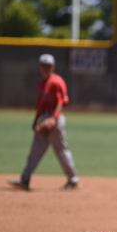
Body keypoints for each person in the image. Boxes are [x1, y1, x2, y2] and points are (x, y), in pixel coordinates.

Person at [8, 53, 79, 191]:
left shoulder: (56, 81)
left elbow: (60, 102)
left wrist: (54, 118)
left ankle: (73, 179)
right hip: (43, 118)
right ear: (40, 66)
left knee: (61, 150)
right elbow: (40, 105)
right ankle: (24, 180)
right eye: (43, 65)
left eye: (48, 66)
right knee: (35, 151)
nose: (46, 68)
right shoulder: (42, 83)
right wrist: (35, 121)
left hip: (54, 119)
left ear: (53, 67)